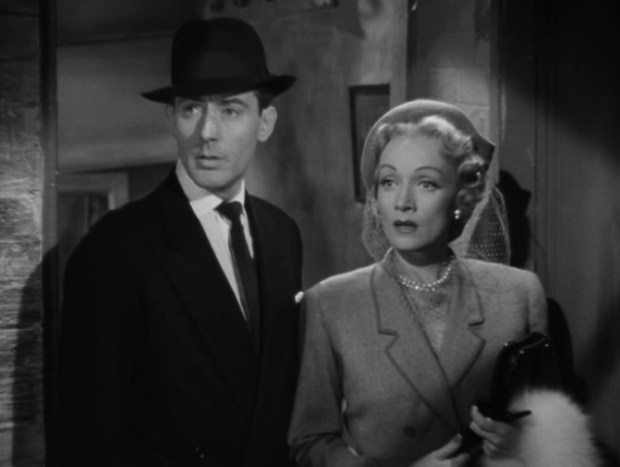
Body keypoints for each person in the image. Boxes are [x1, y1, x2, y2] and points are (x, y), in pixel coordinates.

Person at [58, 18, 302, 467]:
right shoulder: (114, 250)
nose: (207, 131)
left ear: (265, 122)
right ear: (170, 119)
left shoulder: (282, 234)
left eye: (230, 110)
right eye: (192, 109)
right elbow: (88, 437)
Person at [288, 99, 554, 466]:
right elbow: (308, 444)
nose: (403, 202)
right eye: (388, 182)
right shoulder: (330, 303)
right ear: (375, 199)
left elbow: (553, 426)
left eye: (426, 183)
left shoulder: (519, 294)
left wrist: (523, 442)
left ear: (460, 198)